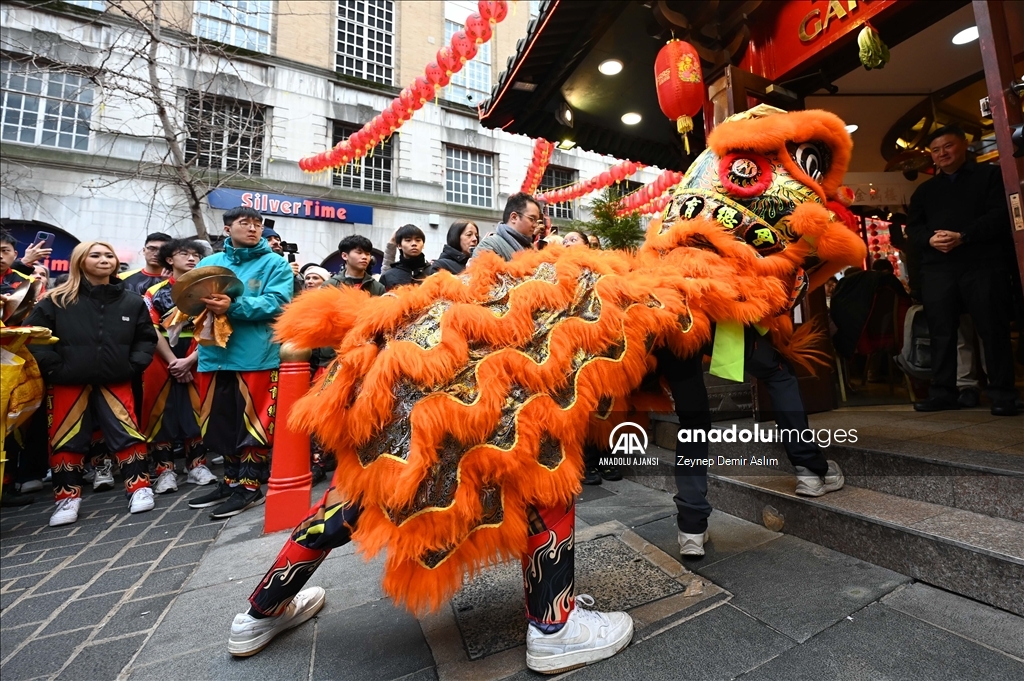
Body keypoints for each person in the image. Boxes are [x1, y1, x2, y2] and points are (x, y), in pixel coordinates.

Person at [657, 328, 844, 557]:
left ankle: (691, 531)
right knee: (779, 372)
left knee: (692, 420)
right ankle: (810, 470)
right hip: (709, 311)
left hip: (665, 323)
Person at [25, 242, 158, 526]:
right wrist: (55, 369)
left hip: (117, 378)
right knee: (65, 437)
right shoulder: (56, 300)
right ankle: (66, 499)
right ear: (79, 261)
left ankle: (140, 488)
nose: (104, 260)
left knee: (128, 431)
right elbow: (34, 338)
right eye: (95, 255)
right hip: (68, 380)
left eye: (109, 255)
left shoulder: (132, 301)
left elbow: (146, 338)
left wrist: (132, 366)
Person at [186, 206, 294, 518]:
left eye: (257, 224)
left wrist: (234, 305)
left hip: (255, 355)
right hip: (213, 355)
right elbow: (190, 299)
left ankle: (249, 487)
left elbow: (277, 304)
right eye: (244, 223)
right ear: (227, 228)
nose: (252, 229)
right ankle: (230, 481)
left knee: (254, 423)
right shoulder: (210, 263)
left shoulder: (275, 264)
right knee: (219, 421)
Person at [906, 125, 1018, 416]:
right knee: (942, 332)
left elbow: (1000, 215)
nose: (942, 154)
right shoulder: (925, 190)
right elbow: (914, 229)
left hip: (983, 264)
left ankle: (1003, 394)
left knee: (992, 329)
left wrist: (964, 236)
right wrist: (930, 239)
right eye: (936, 150)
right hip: (938, 268)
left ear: (964, 146)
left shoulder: (989, 176)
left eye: (948, 146)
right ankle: (943, 392)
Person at [142, 239, 218, 495]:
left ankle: (197, 465)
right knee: (159, 412)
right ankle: (164, 470)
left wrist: (190, 360)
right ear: (169, 260)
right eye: (183, 254)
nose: (191, 258)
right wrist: (173, 361)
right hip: (163, 357)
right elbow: (150, 329)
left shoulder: (209, 291)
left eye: (195, 254)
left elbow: (212, 327)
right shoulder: (154, 293)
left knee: (197, 409)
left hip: (198, 353)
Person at [474, 192, 543, 261]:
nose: (535, 225)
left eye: (536, 220)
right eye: (532, 219)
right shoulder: (489, 246)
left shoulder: (532, 248)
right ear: (514, 217)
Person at [379, 224, 432, 291]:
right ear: (399, 245)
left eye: (418, 240)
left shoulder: (433, 273)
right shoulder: (389, 276)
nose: (414, 244)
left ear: (423, 245)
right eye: (408, 240)